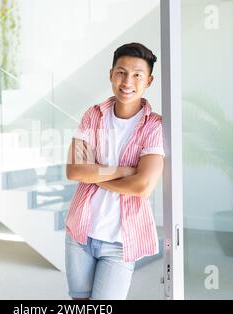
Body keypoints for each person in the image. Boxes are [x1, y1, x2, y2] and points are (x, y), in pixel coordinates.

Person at [65, 42, 165, 300]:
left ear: (149, 81)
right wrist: (123, 170)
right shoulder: (93, 115)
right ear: (111, 74)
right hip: (80, 233)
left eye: (137, 75)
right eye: (121, 72)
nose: (127, 81)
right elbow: (75, 170)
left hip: (120, 242)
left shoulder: (154, 126)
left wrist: (95, 176)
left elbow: (142, 186)